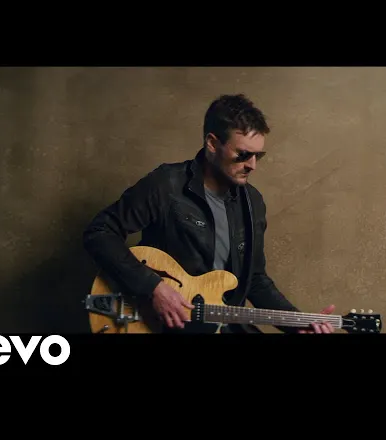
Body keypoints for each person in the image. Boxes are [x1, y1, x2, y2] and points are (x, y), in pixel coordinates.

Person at [83, 93, 335, 334]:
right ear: (212, 144)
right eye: (243, 154)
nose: (252, 165)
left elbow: (255, 280)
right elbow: (100, 232)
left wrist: (297, 323)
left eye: (258, 156)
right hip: (165, 326)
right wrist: (153, 287)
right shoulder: (167, 185)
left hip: (225, 325)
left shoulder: (253, 202)